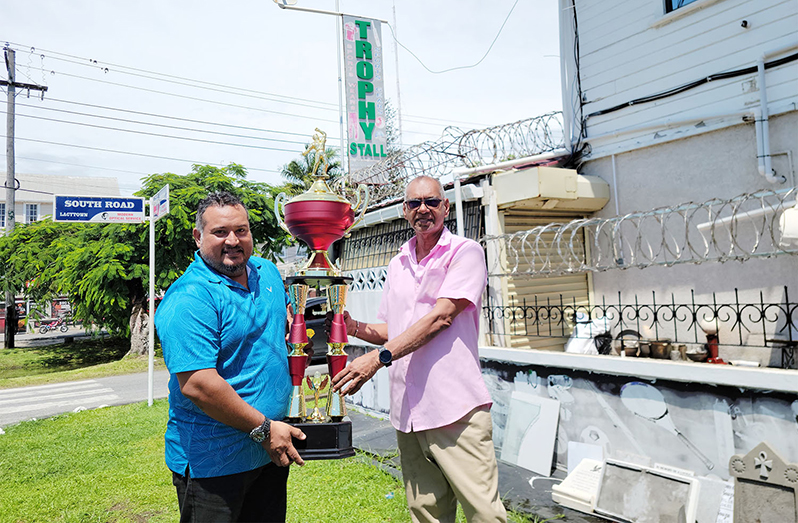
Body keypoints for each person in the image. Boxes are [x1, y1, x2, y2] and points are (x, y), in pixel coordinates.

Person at [331, 176, 507, 523]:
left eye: (431, 202)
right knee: (426, 513)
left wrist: (378, 360)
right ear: (404, 211)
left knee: (485, 515)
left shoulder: (465, 252)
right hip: (409, 412)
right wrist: (353, 328)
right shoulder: (398, 262)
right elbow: (392, 330)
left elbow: (441, 317)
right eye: (414, 203)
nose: (423, 209)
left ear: (444, 206)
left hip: (455, 410)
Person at [154, 191, 307, 523]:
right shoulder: (190, 298)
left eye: (241, 230)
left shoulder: (266, 273)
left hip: (269, 454)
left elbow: (277, 330)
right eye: (220, 232)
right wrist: (265, 429)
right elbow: (198, 385)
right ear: (198, 237)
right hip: (215, 464)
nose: (233, 240)